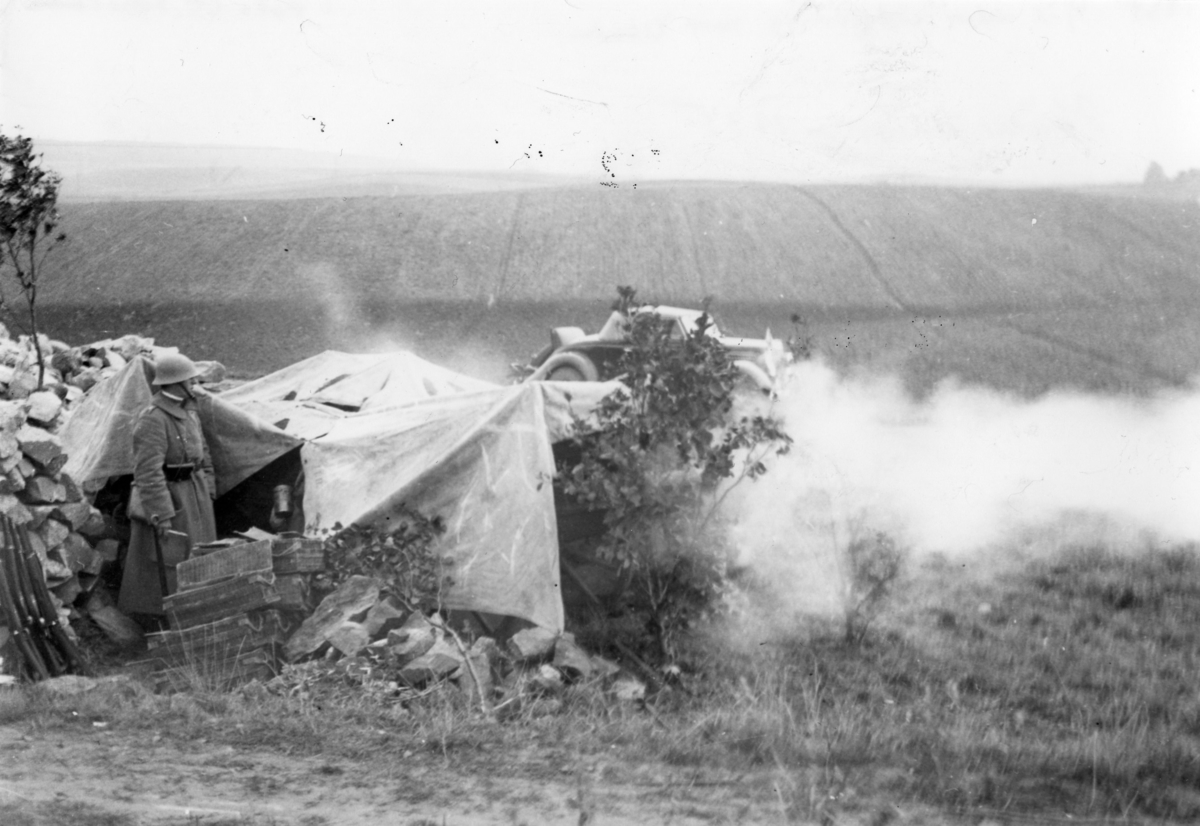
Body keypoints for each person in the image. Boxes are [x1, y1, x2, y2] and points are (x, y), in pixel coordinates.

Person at [118, 352, 217, 624]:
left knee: (200, 556)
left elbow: (203, 453)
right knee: (171, 561)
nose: (195, 383)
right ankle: (163, 621)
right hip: (172, 499)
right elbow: (147, 472)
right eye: (190, 379)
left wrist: (208, 488)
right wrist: (162, 513)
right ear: (175, 383)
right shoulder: (153, 418)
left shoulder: (189, 410)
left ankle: (197, 613)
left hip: (196, 494)